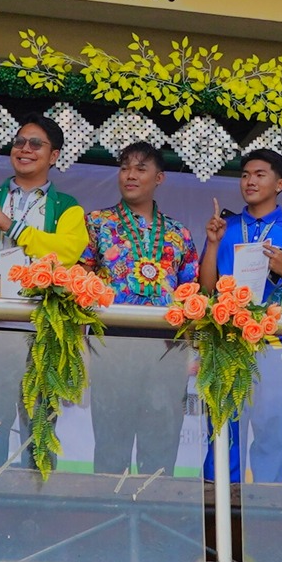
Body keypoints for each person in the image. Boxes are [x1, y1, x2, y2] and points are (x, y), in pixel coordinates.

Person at [0, 116, 91, 466]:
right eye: (19, 142)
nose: (24, 149)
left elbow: (69, 250)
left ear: (54, 155)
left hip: (42, 326)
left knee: (41, 419)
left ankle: (38, 491)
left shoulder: (68, 207)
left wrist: (16, 228)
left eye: (35, 144)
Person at [80, 141, 197, 476]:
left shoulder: (178, 233)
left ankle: (155, 507)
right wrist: (79, 342)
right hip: (112, 339)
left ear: (159, 178)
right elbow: (80, 281)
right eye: (124, 168)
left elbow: (191, 291)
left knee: (162, 441)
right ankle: (108, 506)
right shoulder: (97, 223)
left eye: (140, 169)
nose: (130, 175)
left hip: (167, 345)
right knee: (111, 441)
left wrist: (191, 351)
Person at [201, 148, 282, 485]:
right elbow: (206, 290)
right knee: (223, 428)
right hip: (226, 341)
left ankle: (268, 504)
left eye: (259, 175)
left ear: (280, 183)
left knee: (272, 430)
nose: (249, 181)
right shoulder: (226, 226)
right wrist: (212, 244)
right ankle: (218, 501)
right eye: (245, 175)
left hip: (274, 344)